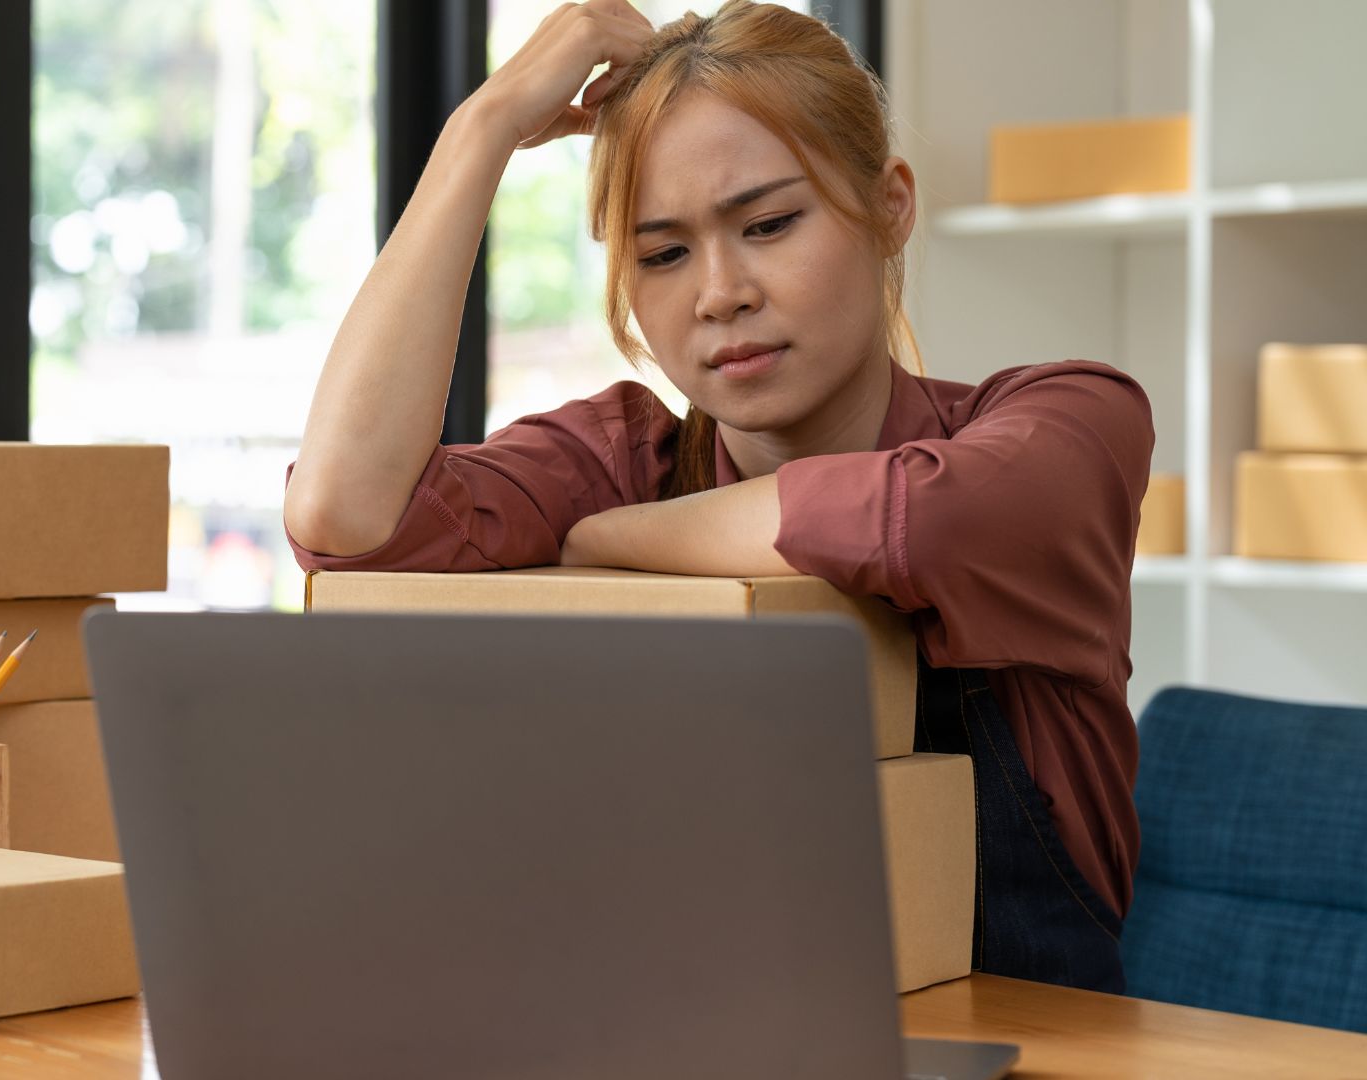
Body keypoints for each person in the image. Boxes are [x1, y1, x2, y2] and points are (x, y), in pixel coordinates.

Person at [281, 0, 1152, 994]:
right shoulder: (620, 451)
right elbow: (345, 522)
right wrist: (479, 131)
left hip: (1034, 1045)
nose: (719, 292)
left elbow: (927, 523)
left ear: (891, 205)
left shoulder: (1067, 422)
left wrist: (616, 541)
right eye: (662, 253)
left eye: (770, 223)